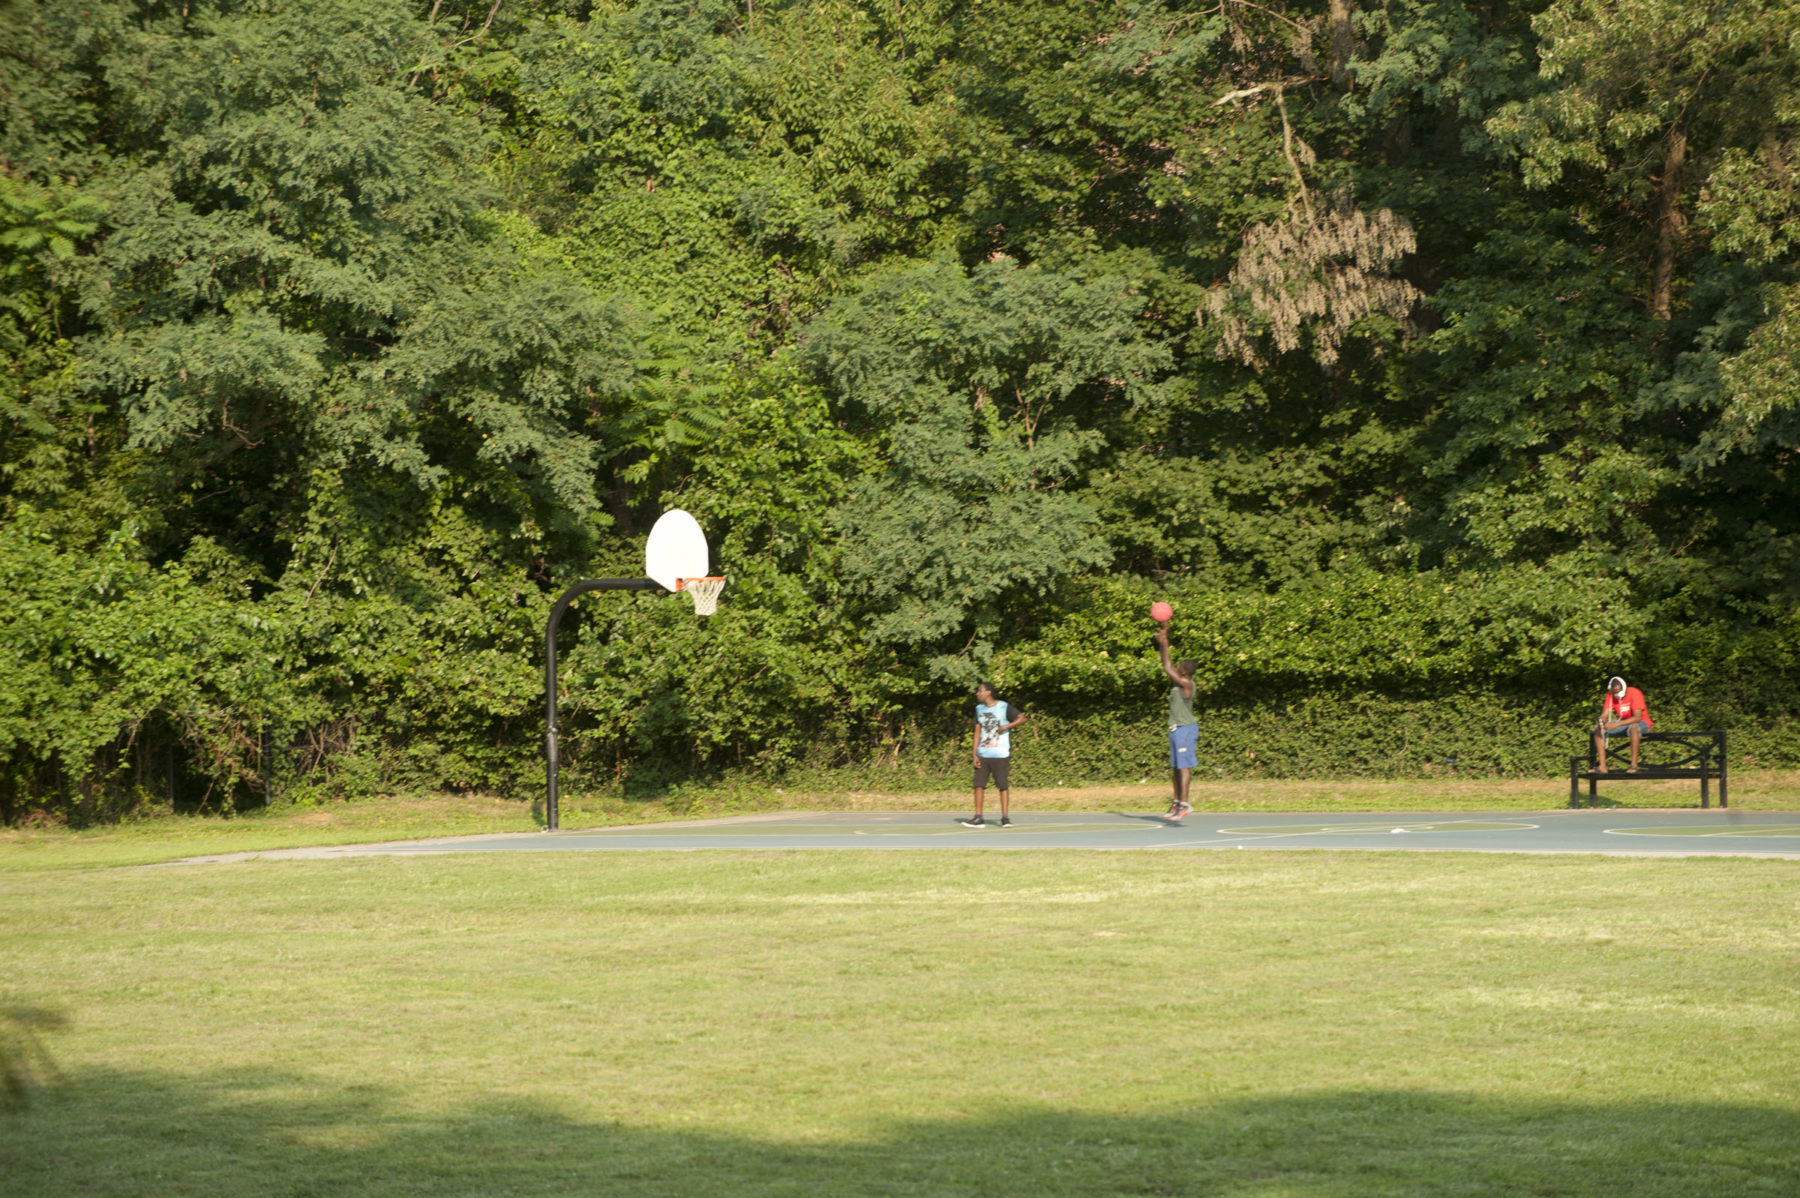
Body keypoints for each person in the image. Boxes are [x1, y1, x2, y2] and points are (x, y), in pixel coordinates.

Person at [962, 683, 1027, 828]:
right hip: (983, 753)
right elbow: (977, 732)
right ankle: (978, 818)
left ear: (988, 692)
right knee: (978, 785)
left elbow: (1022, 718)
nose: (977, 693)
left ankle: (1005, 818)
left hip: (1000, 753)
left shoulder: (1003, 707)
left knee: (1002, 785)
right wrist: (975, 754)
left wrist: (1006, 726)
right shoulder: (979, 709)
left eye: (980, 691)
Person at [1154, 627, 1199, 820]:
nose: (1176, 667)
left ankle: (1185, 804)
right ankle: (1176, 801)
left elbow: (1166, 667)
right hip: (1175, 729)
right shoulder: (1178, 681)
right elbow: (1167, 663)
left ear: (1185, 672)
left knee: (1184, 767)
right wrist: (1164, 641)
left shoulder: (1187, 684)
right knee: (1175, 767)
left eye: (1180, 666)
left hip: (1186, 729)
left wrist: (1164, 643)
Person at [1593, 675, 1653, 773]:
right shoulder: (1610, 695)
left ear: (1624, 688)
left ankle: (1633, 766)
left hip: (1641, 723)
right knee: (1597, 729)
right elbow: (1605, 714)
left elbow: (1637, 718)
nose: (1616, 695)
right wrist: (1601, 721)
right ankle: (1602, 766)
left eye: (1619, 692)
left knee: (1633, 728)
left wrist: (1616, 724)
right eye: (1614, 692)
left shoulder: (1635, 693)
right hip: (1623, 723)